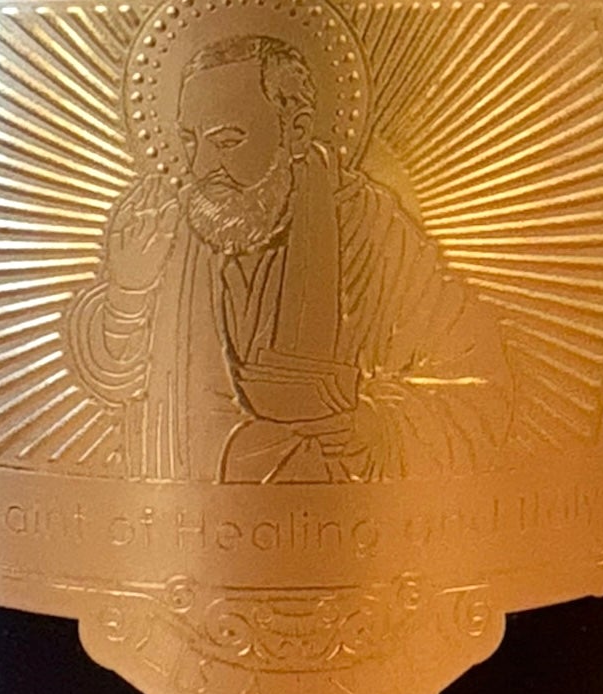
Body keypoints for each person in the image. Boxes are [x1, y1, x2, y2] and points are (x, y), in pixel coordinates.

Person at [66, 33, 513, 483]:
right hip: (179, 520)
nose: (201, 167)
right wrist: (128, 291)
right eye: (190, 141)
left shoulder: (366, 229)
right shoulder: (162, 230)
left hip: (335, 519)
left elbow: (476, 386)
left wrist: (374, 429)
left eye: (227, 141)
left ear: (296, 131)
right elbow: (114, 383)